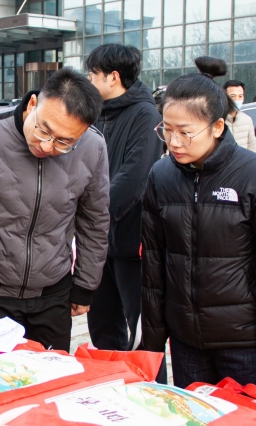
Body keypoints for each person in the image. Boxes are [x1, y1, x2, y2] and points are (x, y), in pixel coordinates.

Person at [141, 57, 256, 406]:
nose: (174, 141)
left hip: (244, 345)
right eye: (166, 130)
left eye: (185, 132)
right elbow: (154, 268)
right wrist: (152, 347)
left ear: (217, 127)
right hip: (186, 344)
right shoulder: (160, 176)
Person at [0, 68, 110, 351]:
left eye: (63, 142)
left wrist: (86, 284)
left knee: (50, 382)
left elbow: (95, 220)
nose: (47, 145)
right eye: (44, 129)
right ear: (33, 104)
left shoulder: (93, 147)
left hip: (53, 293)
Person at [83, 44, 163, 355]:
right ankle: (110, 384)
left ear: (113, 77)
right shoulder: (96, 113)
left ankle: (151, 392)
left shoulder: (145, 115)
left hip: (131, 241)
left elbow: (133, 178)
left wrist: (92, 216)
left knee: (142, 331)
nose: (89, 81)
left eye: (93, 75)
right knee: (102, 326)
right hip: (97, 244)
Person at [222, 80, 256, 153]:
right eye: (233, 96)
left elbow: (252, 146)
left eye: (240, 96)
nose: (237, 100)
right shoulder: (216, 119)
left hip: (242, 162)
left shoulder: (247, 120)